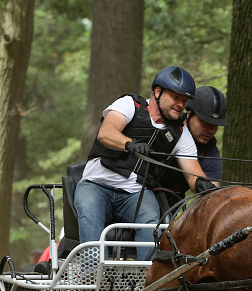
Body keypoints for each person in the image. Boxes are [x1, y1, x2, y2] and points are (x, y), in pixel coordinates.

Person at [75, 66, 215, 261]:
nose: (180, 105)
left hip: (135, 193)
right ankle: (93, 277)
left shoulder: (180, 133)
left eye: (184, 101)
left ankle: (146, 280)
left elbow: (193, 174)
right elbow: (106, 133)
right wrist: (129, 144)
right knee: (89, 213)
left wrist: (202, 184)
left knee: (151, 219)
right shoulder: (130, 105)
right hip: (96, 185)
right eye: (176, 98)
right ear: (158, 92)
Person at [156, 86, 227, 192]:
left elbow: (212, 195)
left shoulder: (210, 153)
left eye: (215, 125)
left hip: (171, 202)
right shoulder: (164, 127)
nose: (210, 130)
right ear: (189, 114)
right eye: (205, 122)